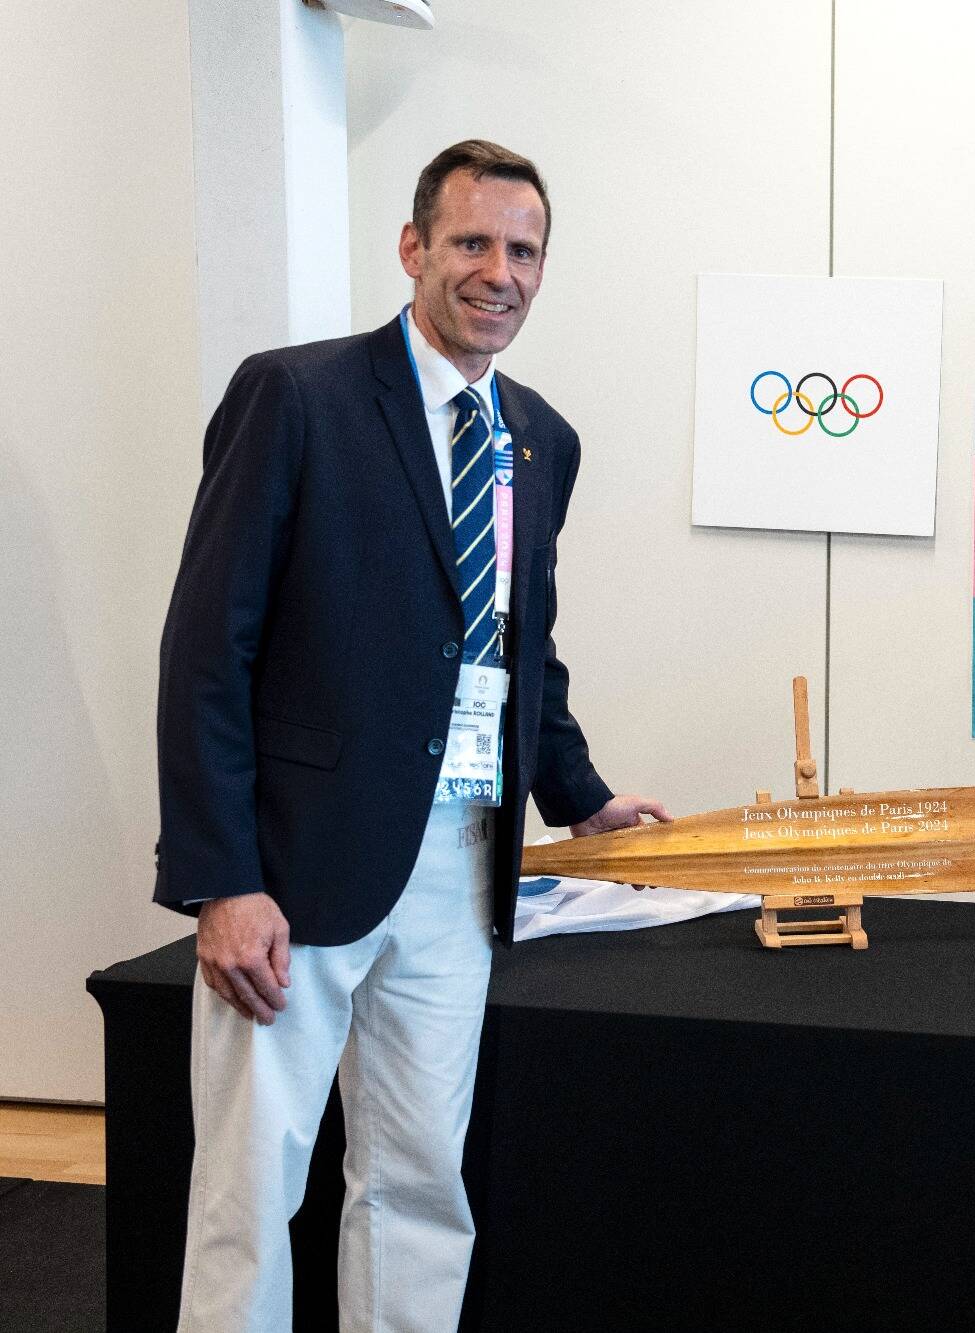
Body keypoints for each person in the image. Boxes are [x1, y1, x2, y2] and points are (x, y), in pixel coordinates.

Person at [155, 139, 666, 1332]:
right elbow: (204, 651)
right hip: (297, 867)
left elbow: (515, 642)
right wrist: (222, 878)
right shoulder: (296, 398)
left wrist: (578, 794)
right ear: (413, 248)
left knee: (419, 1185)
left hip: (460, 871)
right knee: (248, 1190)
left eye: (524, 250)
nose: (500, 272)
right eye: (472, 242)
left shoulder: (541, 436)